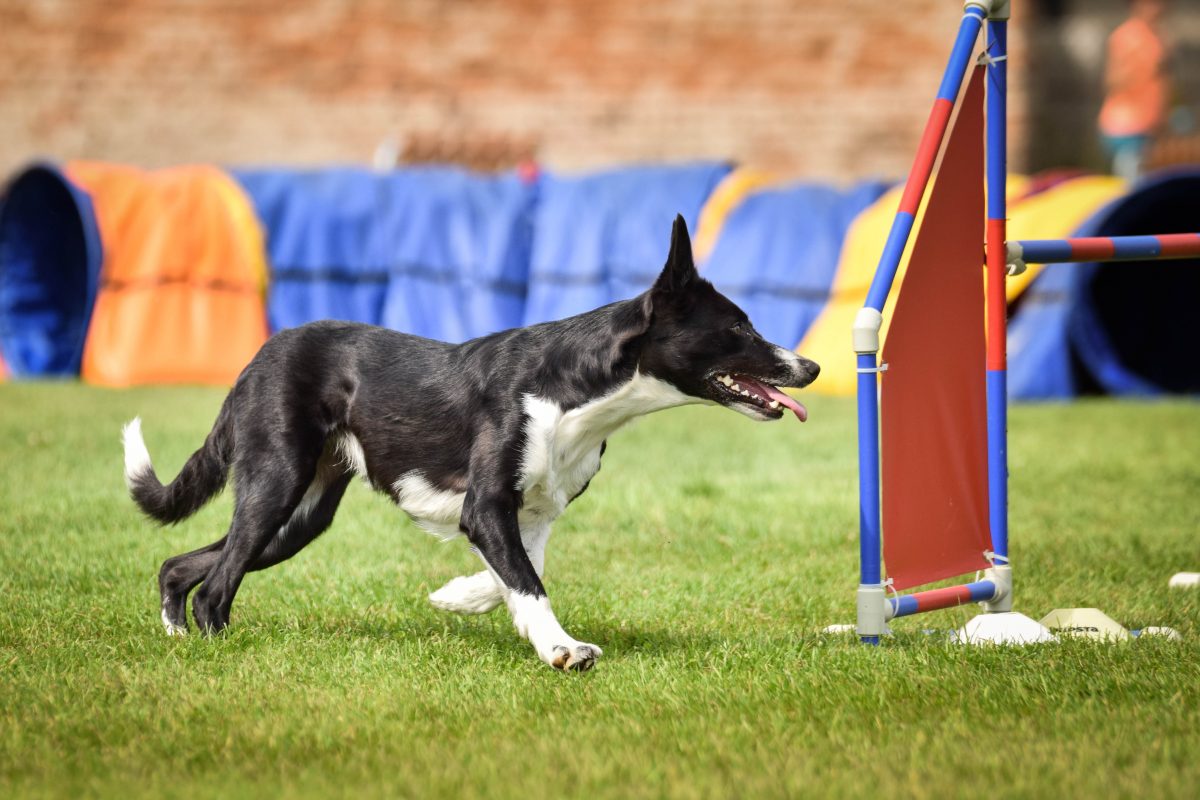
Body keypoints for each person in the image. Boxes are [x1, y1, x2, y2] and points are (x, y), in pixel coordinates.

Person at [1098, 0, 1171, 182]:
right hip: (1127, 128)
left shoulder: (1156, 36)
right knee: (1134, 189)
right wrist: (1144, 68)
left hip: (1149, 127)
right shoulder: (1128, 36)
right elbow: (1112, 81)